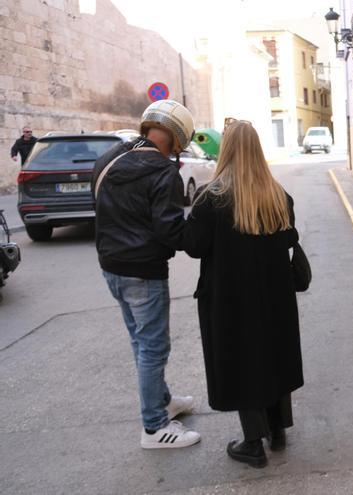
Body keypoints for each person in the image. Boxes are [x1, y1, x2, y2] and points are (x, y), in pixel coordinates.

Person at [184, 120, 304, 468]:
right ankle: (278, 431)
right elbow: (288, 240)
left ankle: (253, 443)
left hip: (231, 300)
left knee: (242, 362)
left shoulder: (213, 198)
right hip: (275, 297)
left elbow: (193, 246)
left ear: (227, 150)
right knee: (274, 356)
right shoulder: (278, 194)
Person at [92, 100, 200, 449]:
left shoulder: (109, 159)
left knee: (141, 343)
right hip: (143, 271)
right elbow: (171, 232)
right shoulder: (163, 172)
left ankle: (162, 401)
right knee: (153, 347)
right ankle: (154, 427)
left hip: (111, 268)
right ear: (176, 135)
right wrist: (202, 231)